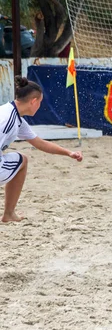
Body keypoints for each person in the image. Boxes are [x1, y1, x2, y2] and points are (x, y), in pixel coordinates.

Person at [1, 76, 83, 222]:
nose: (40, 106)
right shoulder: (8, 119)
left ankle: (9, 213)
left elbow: (40, 143)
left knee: (22, 161)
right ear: (33, 101)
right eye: (40, 102)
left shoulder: (15, 117)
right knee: (22, 161)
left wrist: (68, 153)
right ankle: (8, 213)